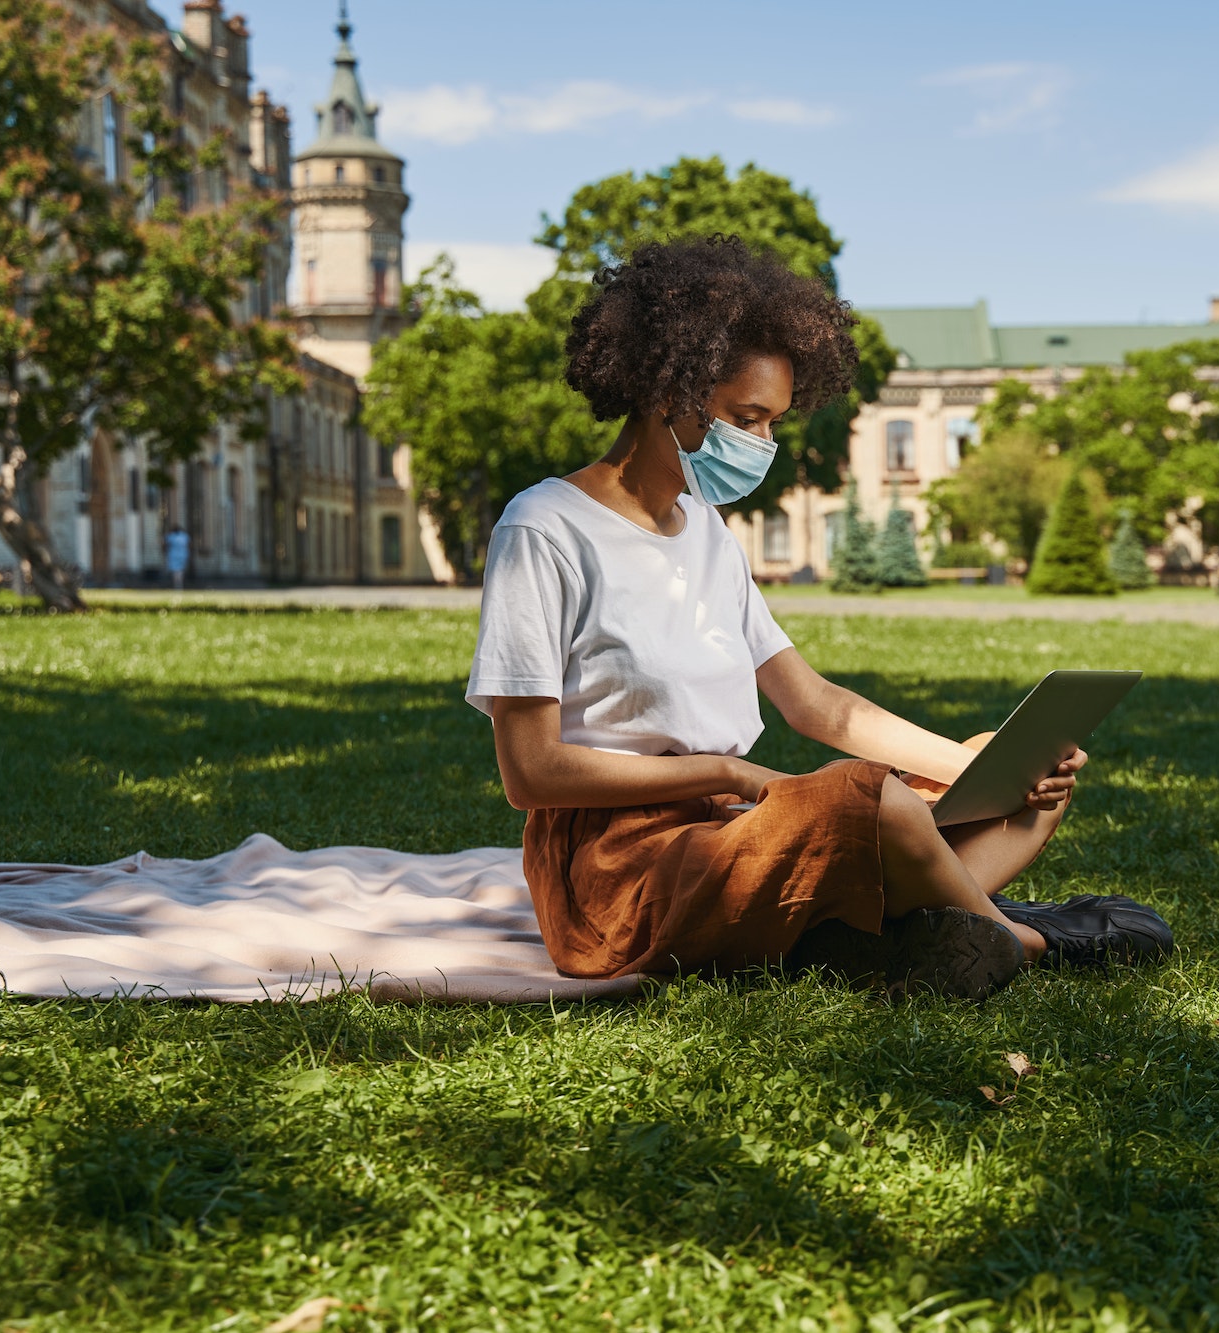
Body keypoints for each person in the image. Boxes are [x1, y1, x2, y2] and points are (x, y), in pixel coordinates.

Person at [468, 238, 1169, 999]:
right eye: (747, 418)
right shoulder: (543, 528)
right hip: (622, 872)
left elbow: (818, 703)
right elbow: (530, 772)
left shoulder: (705, 531)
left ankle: (927, 932)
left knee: (1008, 762)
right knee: (873, 800)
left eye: (773, 422)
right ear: (666, 392)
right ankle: (1025, 940)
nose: (763, 444)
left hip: (737, 824)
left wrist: (980, 768)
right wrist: (731, 771)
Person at [165, 526, 189, 591]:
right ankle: (180, 585)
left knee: (175, 571)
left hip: (174, 555)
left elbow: (166, 544)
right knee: (180, 571)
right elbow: (187, 544)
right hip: (183, 554)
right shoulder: (184, 536)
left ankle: (177, 586)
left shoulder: (171, 536)